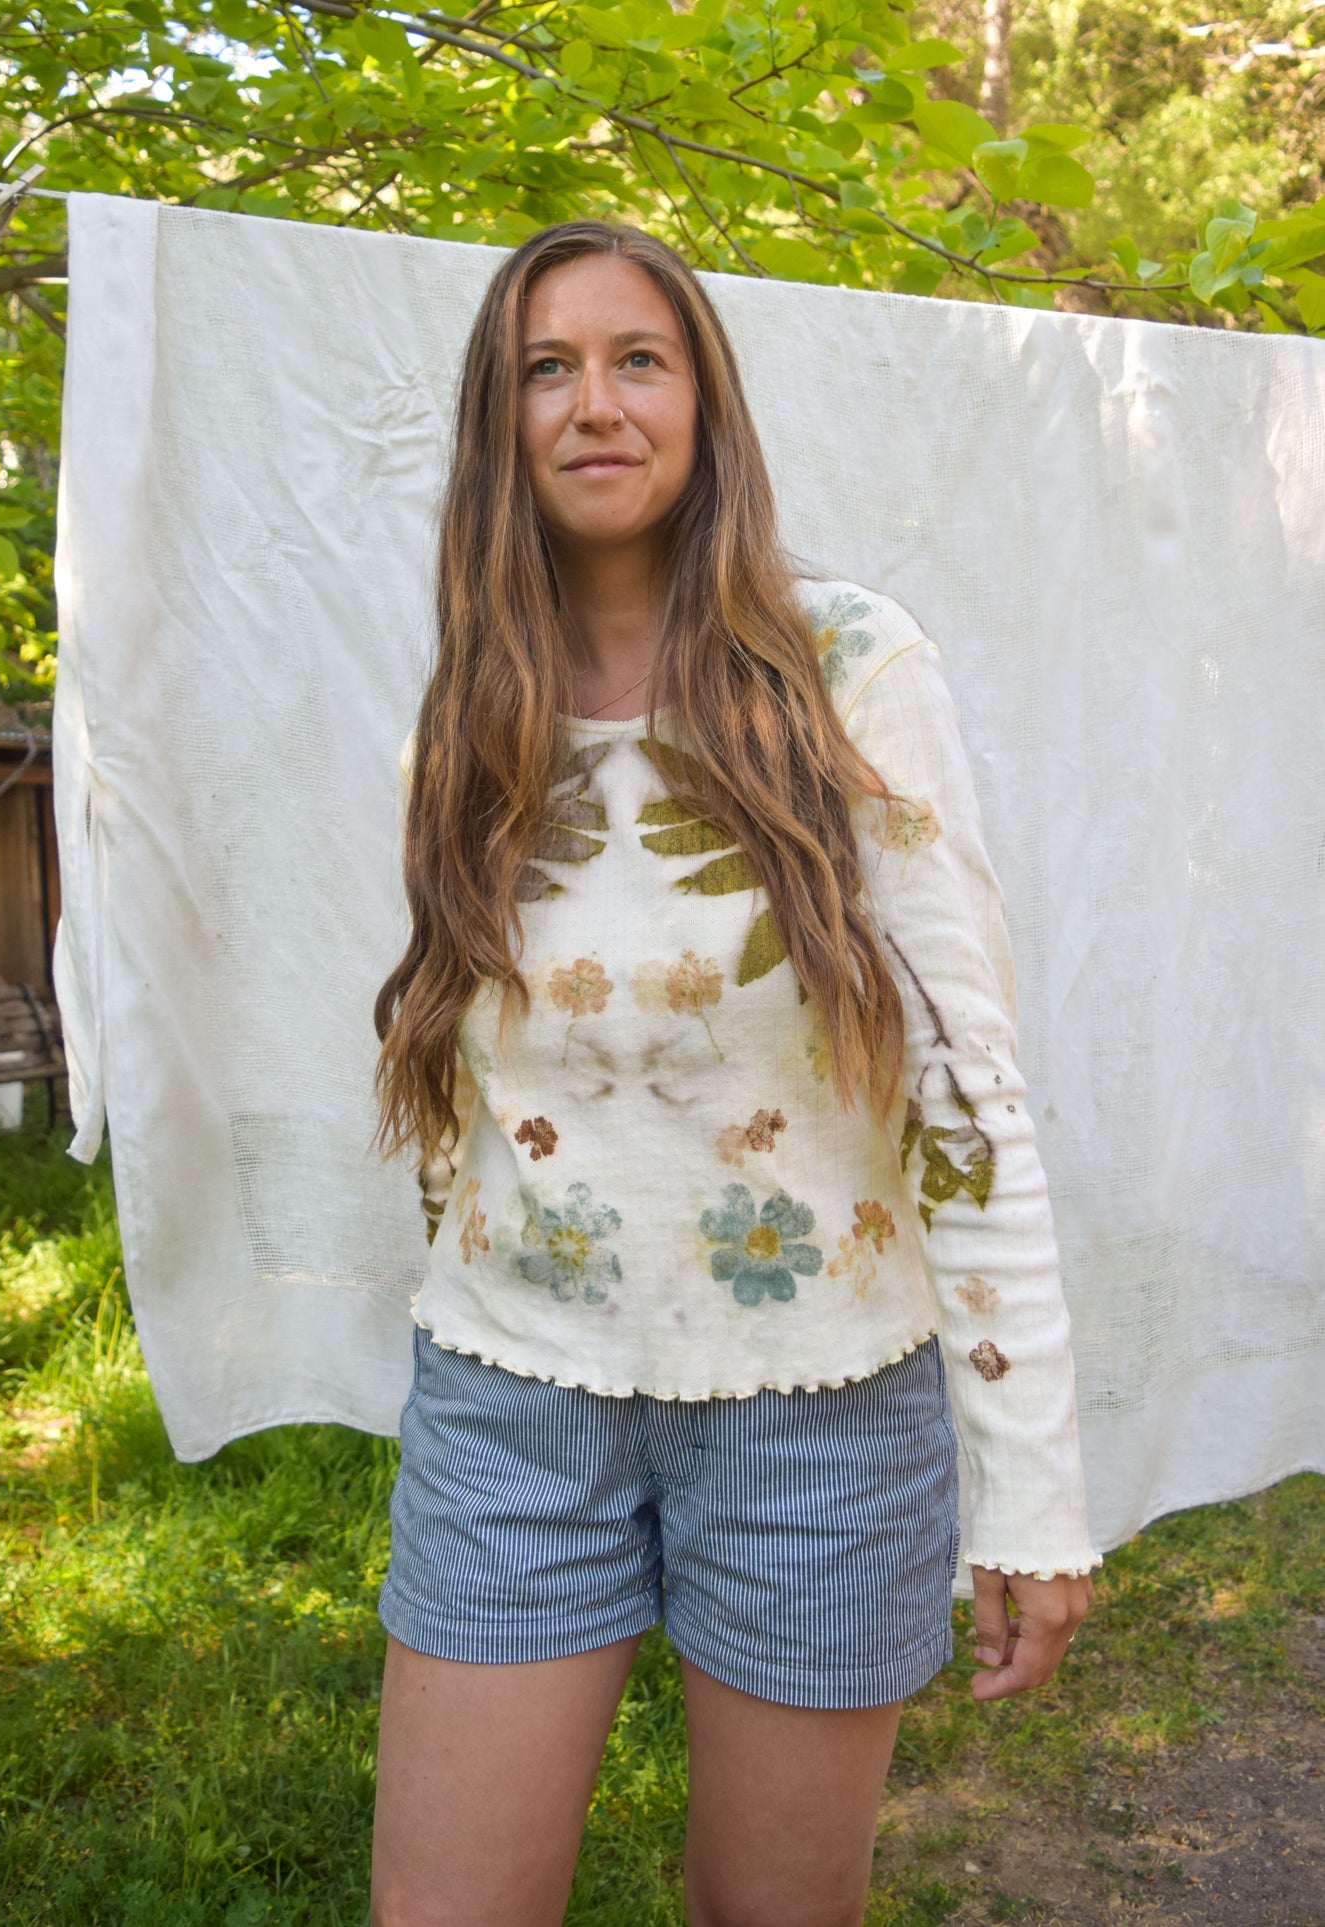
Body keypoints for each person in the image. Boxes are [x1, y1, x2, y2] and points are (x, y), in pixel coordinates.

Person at [368, 219, 1100, 1927]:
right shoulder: (474, 703)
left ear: (704, 400)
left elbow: (962, 1086)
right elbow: (461, 1063)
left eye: (639, 359)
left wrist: (1030, 1489)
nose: (594, 403)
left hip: (819, 1413)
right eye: (545, 368)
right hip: (512, 1405)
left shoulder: (843, 670)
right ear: (497, 421)